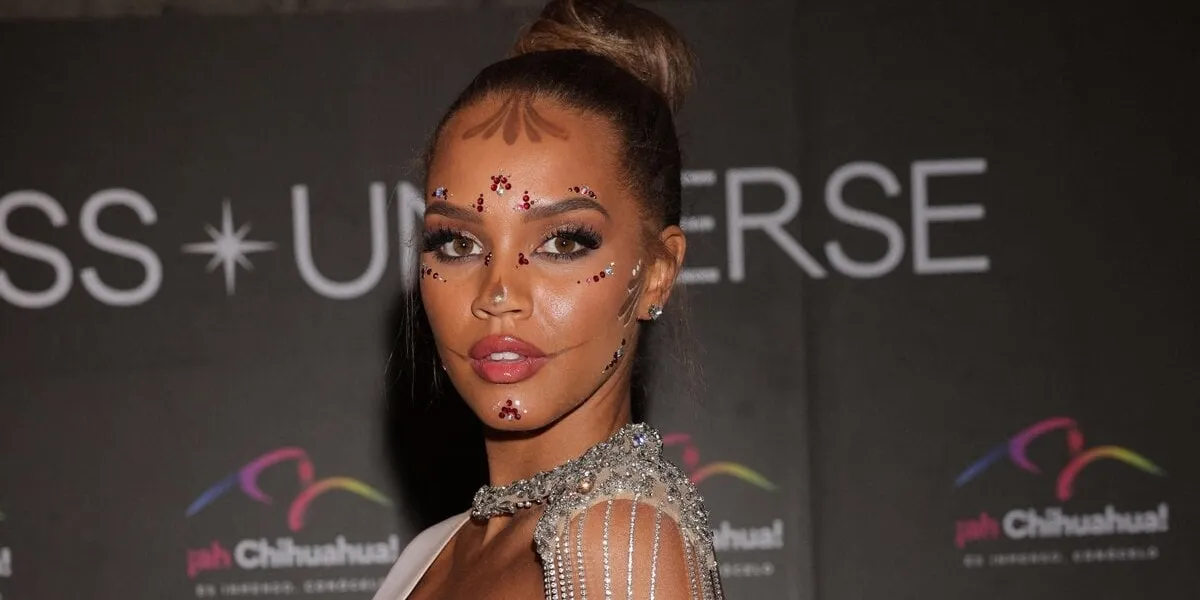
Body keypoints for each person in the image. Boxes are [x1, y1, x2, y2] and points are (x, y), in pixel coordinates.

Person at [374, 1, 723, 598]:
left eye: (562, 242)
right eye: (456, 242)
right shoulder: (429, 553)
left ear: (657, 273)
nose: (499, 293)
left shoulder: (619, 541)